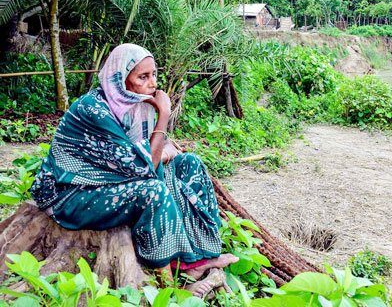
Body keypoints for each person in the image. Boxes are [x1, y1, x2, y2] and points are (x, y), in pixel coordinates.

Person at [30, 43, 238, 296]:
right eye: (143, 77)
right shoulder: (94, 110)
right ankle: (169, 289)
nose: (153, 83)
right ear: (119, 80)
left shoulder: (132, 105)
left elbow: (149, 153)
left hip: (109, 181)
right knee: (154, 192)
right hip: (70, 193)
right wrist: (164, 114)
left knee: (189, 164)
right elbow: (144, 167)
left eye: (153, 75)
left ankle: (194, 261)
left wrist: (162, 147)